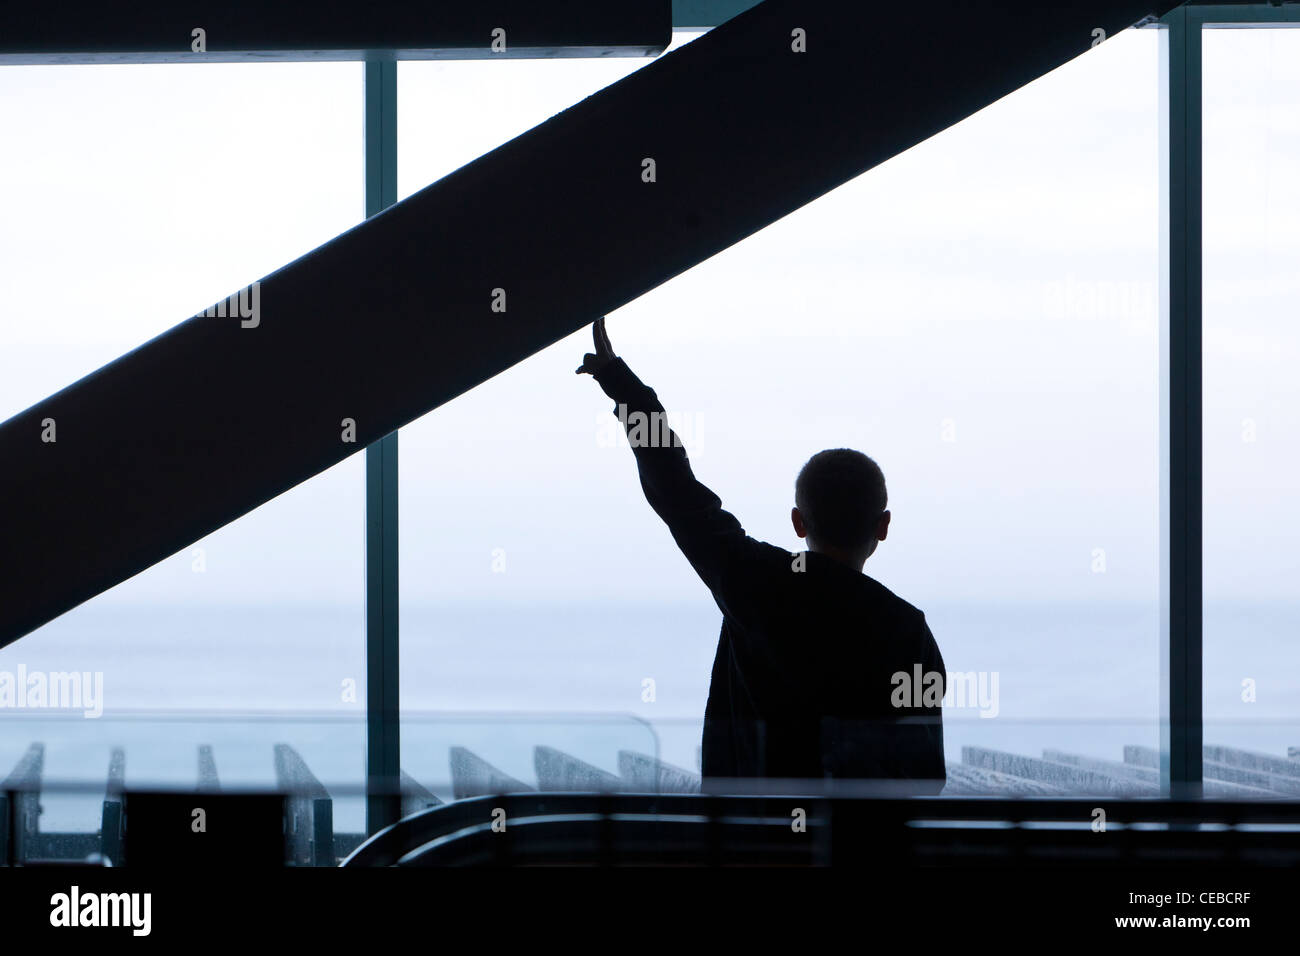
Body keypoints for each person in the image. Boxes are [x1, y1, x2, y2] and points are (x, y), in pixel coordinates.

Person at [577, 318, 946, 794]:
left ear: (798, 522)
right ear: (884, 526)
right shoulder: (907, 631)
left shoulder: (754, 581)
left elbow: (677, 491)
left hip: (746, 845)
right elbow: (923, 777)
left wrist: (622, 385)